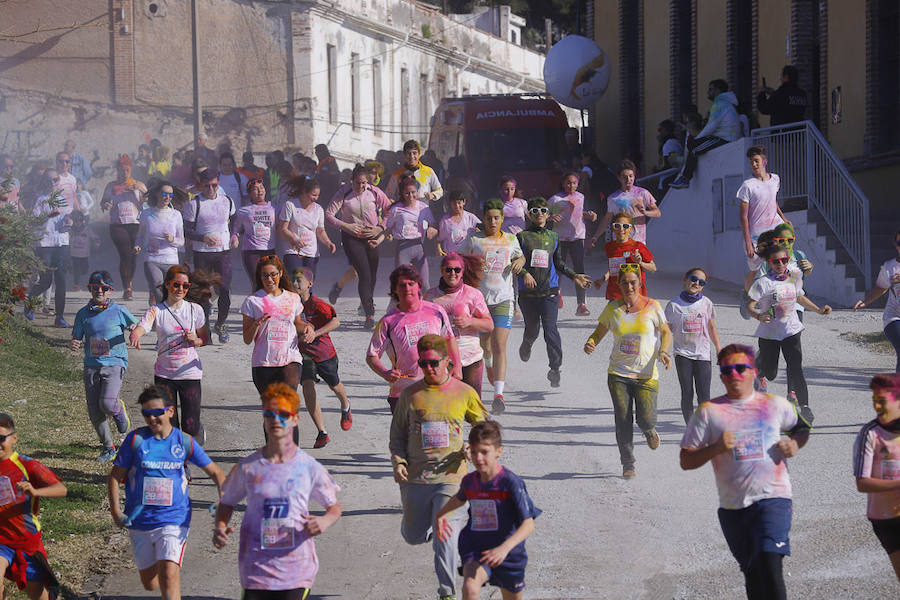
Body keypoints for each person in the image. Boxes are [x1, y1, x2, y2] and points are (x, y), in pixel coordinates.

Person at [680, 344, 811, 600]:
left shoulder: (774, 405)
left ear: (753, 372)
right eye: (727, 371)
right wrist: (715, 448)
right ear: (720, 376)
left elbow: (801, 428)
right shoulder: (708, 412)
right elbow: (686, 459)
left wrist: (795, 443)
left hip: (774, 498)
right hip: (733, 509)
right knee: (753, 572)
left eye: (741, 368)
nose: (734, 375)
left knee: (770, 564)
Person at [213, 382, 341, 598]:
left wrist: (324, 521)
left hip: (297, 570)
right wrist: (220, 526)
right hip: (255, 570)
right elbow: (227, 502)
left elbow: (334, 507)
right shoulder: (248, 467)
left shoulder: (309, 467)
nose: (275, 420)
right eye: (269, 414)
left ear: (295, 418)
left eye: (283, 414)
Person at [389, 334, 488, 600]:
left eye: (434, 362)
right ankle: (435, 528)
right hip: (416, 478)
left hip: (451, 477)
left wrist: (474, 446)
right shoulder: (410, 394)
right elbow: (396, 436)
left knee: (444, 527)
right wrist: (398, 462)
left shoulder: (464, 392)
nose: (429, 368)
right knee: (413, 536)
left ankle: (447, 593)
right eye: (423, 363)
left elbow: (484, 427)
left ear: (448, 362)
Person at [108, 384, 226, 600]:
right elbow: (115, 477)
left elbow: (217, 473)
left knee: (169, 577)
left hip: (175, 519)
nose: (152, 419)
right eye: (146, 414)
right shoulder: (136, 440)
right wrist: (116, 512)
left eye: (156, 413)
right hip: (140, 521)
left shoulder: (184, 441)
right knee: (150, 583)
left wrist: (223, 510)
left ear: (170, 411)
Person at [584, 263, 672, 479]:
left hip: (646, 375)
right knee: (622, 418)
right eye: (624, 283)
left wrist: (663, 351)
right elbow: (599, 332)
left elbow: (665, 331)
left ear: (640, 283)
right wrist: (591, 342)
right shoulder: (612, 309)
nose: (629, 287)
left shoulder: (653, 306)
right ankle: (627, 464)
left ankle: (649, 430)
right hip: (618, 374)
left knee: (646, 419)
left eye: (633, 282)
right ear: (619, 285)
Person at [435, 421, 540, 600]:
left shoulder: (510, 483)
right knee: (470, 588)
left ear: (499, 451)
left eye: (484, 452)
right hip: (476, 547)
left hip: (508, 554)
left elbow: (528, 524)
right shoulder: (470, 481)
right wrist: (440, 514)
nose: (478, 458)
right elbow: (459, 498)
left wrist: (503, 549)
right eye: (474, 452)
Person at [129, 265, 210, 443]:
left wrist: (196, 340)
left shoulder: (194, 310)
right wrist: (136, 334)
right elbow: (143, 326)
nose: (180, 289)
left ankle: (196, 428)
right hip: (165, 374)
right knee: (169, 426)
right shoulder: (157, 310)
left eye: (185, 286)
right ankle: (181, 466)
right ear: (167, 285)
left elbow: (205, 338)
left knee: (190, 426)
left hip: (189, 373)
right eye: (176, 284)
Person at [516, 197, 591, 388]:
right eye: (535, 211)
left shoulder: (554, 237)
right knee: (532, 330)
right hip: (528, 295)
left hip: (549, 293)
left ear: (549, 215)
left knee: (550, 331)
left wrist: (575, 276)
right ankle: (526, 344)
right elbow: (515, 261)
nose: (539, 214)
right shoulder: (522, 237)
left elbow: (559, 264)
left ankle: (555, 369)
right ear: (529, 214)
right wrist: (524, 274)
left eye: (543, 211)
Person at [239, 255, 315, 444]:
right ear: (260, 277)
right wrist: (257, 324)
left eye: (273, 275)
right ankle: (272, 452)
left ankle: (292, 454)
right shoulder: (252, 302)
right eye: (265, 276)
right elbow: (247, 339)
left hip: (290, 359)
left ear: (281, 274)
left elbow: (298, 323)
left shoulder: (293, 298)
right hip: (263, 363)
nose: (270, 280)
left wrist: (308, 328)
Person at [460, 199, 525, 415]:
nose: (492, 221)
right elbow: (459, 260)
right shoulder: (474, 239)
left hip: (503, 300)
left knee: (499, 345)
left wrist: (520, 262)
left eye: (496, 218)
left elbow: (520, 256)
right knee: (485, 346)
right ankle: (488, 366)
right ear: (484, 219)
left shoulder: (510, 239)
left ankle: (499, 395)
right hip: (479, 302)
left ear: (502, 219)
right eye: (489, 218)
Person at [367, 265, 461, 413]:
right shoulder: (388, 321)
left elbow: (449, 339)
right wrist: (385, 373)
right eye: (402, 285)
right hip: (403, 393)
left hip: (437, 388)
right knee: (407, 436)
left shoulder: (436, 311)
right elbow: (372, 356)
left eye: (411, 284)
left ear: (419, 286)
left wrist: (457, 366)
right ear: (395, 290)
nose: (407, 288)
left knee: (435, 434)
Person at [746, 244, 830, 405]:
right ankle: (759, 368)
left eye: (784, 260)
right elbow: (749, 306)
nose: (781, 264)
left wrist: (818, 310)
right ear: (769, 263)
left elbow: (799, 298)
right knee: (770, 373)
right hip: (770, 333)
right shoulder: (763, 283)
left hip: (791, 330)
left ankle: (805, 408)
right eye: (776, 261)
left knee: (796, 368)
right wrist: (758, 315)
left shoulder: (794, 277)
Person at [70, 270, 137, 461]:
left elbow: (136, 326)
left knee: (107, 403)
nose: (99, 291)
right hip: (91, 364)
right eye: (95, 287)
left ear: (110, 290)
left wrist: (134, 331)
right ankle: (108, 447)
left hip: (114, 363)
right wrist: (74, 343)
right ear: (89, 289)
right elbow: (77, 336)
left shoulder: (119, 310)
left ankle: (118, 410)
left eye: (104, 288)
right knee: (94, 409)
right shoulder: (83, 314)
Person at [0, 413, 67, 600]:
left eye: (0, 438)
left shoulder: (27, 465)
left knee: (37, 594)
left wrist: (36, 492)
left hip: (26, 541)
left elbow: (61, 489)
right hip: (1, 540)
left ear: (14, 438)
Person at [325, 164, 391, 329]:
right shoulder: (344, 193)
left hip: (372, 236)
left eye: (364, 183)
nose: (361, 187)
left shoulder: (374, 192)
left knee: (370, 275)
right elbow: (328, 215)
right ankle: (369, 314)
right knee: (364, 274)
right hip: (351, 238)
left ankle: (338, 287)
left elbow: (391, 211)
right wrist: (346, 226)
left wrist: (380, 227)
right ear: (351, 181)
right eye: (357, 183)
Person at [424, 252, 493, 398]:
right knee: (446, 404)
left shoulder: (473, 294)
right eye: (448, 269)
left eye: (457, 270)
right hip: (442, 359)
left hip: (471, 357)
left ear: (463, 272)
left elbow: (489, 325)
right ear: (442, 271)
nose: (452, 273)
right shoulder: (430, 297)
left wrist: (470, 321)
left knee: (472, 406)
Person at [853, 373, 900, 582]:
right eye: (875, 401)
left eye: (883, 402)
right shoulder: (870, 434)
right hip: (886, 518)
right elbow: (862, 483)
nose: (877, 407)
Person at [183, 168, 237, 343]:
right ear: (201, 186)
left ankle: (220, 324)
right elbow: (186, 231)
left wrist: (235, 235)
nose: (211, 189)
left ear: (218, 184)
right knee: (203, 293)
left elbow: (235, 222)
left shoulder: (227, 201)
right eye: (207, 186)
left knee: (225, 292)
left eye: (214, 185)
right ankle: (204, 327)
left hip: (223, 253)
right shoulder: (195, 204)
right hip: (202, 253)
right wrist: (203, 237)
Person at [665, 267, 722, 424]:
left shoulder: (706, 303)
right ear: (685, 279)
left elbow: (711, 327)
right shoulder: (673, 305)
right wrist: (663, 351)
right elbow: (667, 331)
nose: (696, 283)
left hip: (702, 354)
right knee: (687, 392)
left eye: (701, 282)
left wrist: (718, 348)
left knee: (704, 394)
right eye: (693, 278)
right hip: (682, 353)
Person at [738, 146, 791, 293]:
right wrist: (748, 243)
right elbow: (743, 216)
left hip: (775, 230)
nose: (754, 164)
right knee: (754, 269)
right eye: (751, 162)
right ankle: (748, 296)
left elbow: (773, 201)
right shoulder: (747, 186)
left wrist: (783, 218)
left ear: (764, 161)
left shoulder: (775, 179)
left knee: (783, 261)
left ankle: (782, 292)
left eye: (756, 161)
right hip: (757, 236)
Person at [670, 79, 742, 188]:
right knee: (694, 146)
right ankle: (684, 178)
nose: (708, 92)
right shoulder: (725, 104)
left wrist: (697, 138)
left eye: (710, 89)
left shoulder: (720, 104)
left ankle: (685, 178)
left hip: (724, 139)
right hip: (723, 138)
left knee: (694, 147)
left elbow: (711, 126)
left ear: (717, 90)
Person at [25, 169, 72, 327]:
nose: (52, 183)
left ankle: (59, 317)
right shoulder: (40, 200)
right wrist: (47, 217)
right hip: (45, 244)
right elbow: (34, 221)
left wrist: (69, 222)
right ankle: (30, 302)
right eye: (48, 180)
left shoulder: (62, 198)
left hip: (61, 242)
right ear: (44, 182)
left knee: (61, 280)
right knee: (45, 280)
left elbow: (69, 217)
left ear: (58, 181)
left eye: (54, 180)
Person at [549, 171, 597, 315]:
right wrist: (550, 217)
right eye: (568, 183)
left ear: (578, 184)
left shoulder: (581, 197)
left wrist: (592, 216)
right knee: (559, 269)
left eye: (574, 183)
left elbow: (589, 214)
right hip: (560, 238)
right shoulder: (555, 199)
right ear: (563, 183)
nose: (571, 185)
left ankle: (581, 304)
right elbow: (543, 214)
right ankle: (557, 293)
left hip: (577, 237)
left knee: (579, 270)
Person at [101, 154, 146, 301]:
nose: (124, 173)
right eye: (121, 170)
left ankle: (130, 283)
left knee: (133, 255)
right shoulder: (111, 185)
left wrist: (140, 189)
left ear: (130, 169)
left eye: (126, 170)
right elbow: (103, 202)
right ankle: (127, 288)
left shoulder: (138, 184)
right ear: (117, 170)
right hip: (118, 225)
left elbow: (150, 199)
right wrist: (106, 205)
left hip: (135, 223)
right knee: (125, 255)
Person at [855, 228, 900, 373]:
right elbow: (881, 288)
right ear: (895, 244)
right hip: (894, 317)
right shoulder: (889, 267)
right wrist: (866, 301)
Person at [375, 176, 434, 288]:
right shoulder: (396, 209)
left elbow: (433, 225)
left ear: (417, 192)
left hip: (418, 247)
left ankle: (427, 305)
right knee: (402, 283)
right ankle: (396, 305)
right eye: (407, 193)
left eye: (413, 192)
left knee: (425, 284)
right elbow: (388, 230)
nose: (411, 196)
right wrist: (377, 241)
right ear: (402, 193)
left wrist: (432, 230)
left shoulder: (423, 208)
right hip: (403, 248)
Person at [134, 180, 185, 305]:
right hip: (152, 259)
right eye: (164, 193)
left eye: (170, 195)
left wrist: (172, 240)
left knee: (170, 292)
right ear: (157, 194)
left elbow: (181, 241)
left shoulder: (176, 215)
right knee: (158, 288)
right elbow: (140, 235)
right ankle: (161, 314)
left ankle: (163, 316)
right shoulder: (146, 214)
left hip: (171, 260)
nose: (167, 197)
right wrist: (137, 245)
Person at [590, 159, 660, 247]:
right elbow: (607, 219)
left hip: (638, 241)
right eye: (624, 177)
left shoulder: (643, 193)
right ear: (619, 177)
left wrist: (645, 212)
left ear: (634, 176)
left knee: (638, 261)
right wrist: (595, 237)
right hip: (619, 241)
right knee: (620, 261)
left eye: (631, 176)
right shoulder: (613, 198)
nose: (628, 179)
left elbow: (657, 213)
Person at [278, 177, 336, 277]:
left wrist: (328, 242)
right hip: (293, 251)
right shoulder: (290, 205)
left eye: (318, 195)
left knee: (307, 285)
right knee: (296, 281)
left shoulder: (318, 209)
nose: (316, 198)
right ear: (304, 191)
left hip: (311, 252)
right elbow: (282, 229)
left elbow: (320, 231)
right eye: (313, 195)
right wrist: (294, 239)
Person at [595, 212, 656, 301]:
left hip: (635, 296)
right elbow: (614, 268)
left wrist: (640, 262)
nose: (621, 229)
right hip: (615, 294)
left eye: (625, 226)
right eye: (617, 226)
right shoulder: (609, 247)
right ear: (613, 228)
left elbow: (653, 268)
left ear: (630, 228)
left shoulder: (638, 246)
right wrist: (602, 279)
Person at [233, 177, 276, 282]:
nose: (259, 191)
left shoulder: (274, 208)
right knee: (257, 281)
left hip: (269, 250)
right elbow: (235, 228)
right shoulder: (244, 210)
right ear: (250, 193)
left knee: (270, 282)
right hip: (251, 251)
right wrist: (234, 237)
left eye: (261, 188)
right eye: (255, 189)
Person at [386, 139, 443, 210]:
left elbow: (439, 190)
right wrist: (393, 204)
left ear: (419, 154)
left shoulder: (428, 171)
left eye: (414, 153)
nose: (411, 156)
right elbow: (388, 195)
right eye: (408, 153)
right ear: (404, 155)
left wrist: (432, 195)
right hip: (403, 214)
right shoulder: (397, 174)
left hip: (423, 212)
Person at [433, 190, 481, 256]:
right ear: (450, 204)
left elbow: (484, 231)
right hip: (452, 257)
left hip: (469, 256)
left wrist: (479, 233)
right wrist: (438, 249)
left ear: (464, 202)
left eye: (459, 203)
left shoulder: (471, 217)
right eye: (454, 204)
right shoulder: (445, 221)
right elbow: (439, 239)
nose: (457, 206)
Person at [68, 210, 101, 288]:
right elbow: (66, 239)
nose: (78, 222)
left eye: (79, 220)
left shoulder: (87, 229)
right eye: (76, 220)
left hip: (84, 254)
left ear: (83, 221)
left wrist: (97, 244)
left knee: (85, 269)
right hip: (74, 253)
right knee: (76, 269)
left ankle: (79, 274)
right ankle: (77, 284)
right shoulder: (70, 230)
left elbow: (95, 237)